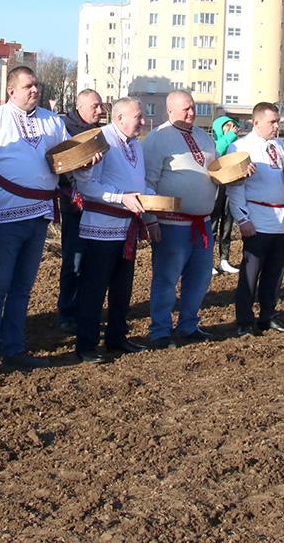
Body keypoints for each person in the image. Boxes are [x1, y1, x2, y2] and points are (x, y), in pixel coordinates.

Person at [0, 66, 70, 380]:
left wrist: (86, 160)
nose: (35, 90)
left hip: (39, 217)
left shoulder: (53, 122)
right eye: (28, 86)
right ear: (11, 90)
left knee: (22, 289)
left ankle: (14, 350)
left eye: (36, 85)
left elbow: (70, 157)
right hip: (3, 218)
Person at [72, 97, 150, 363]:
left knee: (122, 287)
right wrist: (120, 198)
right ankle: (86, 345)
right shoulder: (101, 140)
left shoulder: (135, 144)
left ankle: (117, 337)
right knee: (94, 288)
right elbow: (87, 185)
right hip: (101, 227)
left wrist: (153, 199)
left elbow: (138, 182)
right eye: (138, 117)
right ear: (119, 118)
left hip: (127, 226)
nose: (143, 121)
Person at [142, 90, 219, 348]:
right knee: (166, 278)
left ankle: (188, 325)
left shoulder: (204, 137)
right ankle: (160, 331)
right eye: (186, 108)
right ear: (170, 110)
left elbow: (215, 172)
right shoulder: (157, 139)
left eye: (193, 107)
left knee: (200, 277)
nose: (191, 112)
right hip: (171, 224)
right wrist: (150, 219)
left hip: (202, 222)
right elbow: (147, 182)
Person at [227, 102, 284, 337]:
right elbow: (234, 187)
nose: (276, 126)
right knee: (250, 273)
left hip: (281, 220)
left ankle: (269, 315)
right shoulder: (240, 148)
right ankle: (244, 321)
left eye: (278, 121)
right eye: (272, 122)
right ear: (256, 123)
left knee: (275, 272)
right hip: (257, 219)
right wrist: (242, 218)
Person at [56, 88, 104, 333]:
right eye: (95, 106)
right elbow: (60, 165)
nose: (100, 110)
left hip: (99, 205)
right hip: (74, 204)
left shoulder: (100, 133)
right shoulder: (64, 130)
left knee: (94, 261)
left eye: (101, 106)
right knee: (74, 260)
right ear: (80, 106)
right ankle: (67, 311)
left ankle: (87, 308)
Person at [210, 113, 241, 276]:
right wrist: (229, 137)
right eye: (227, 126)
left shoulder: (236, 145)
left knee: (228, 223)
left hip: (231, 185)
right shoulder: (213, 143)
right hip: (216, 186)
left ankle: (224, 259)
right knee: (213, 223)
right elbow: (217, 152)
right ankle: (208, 261)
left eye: (233, 126)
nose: (231, 129)